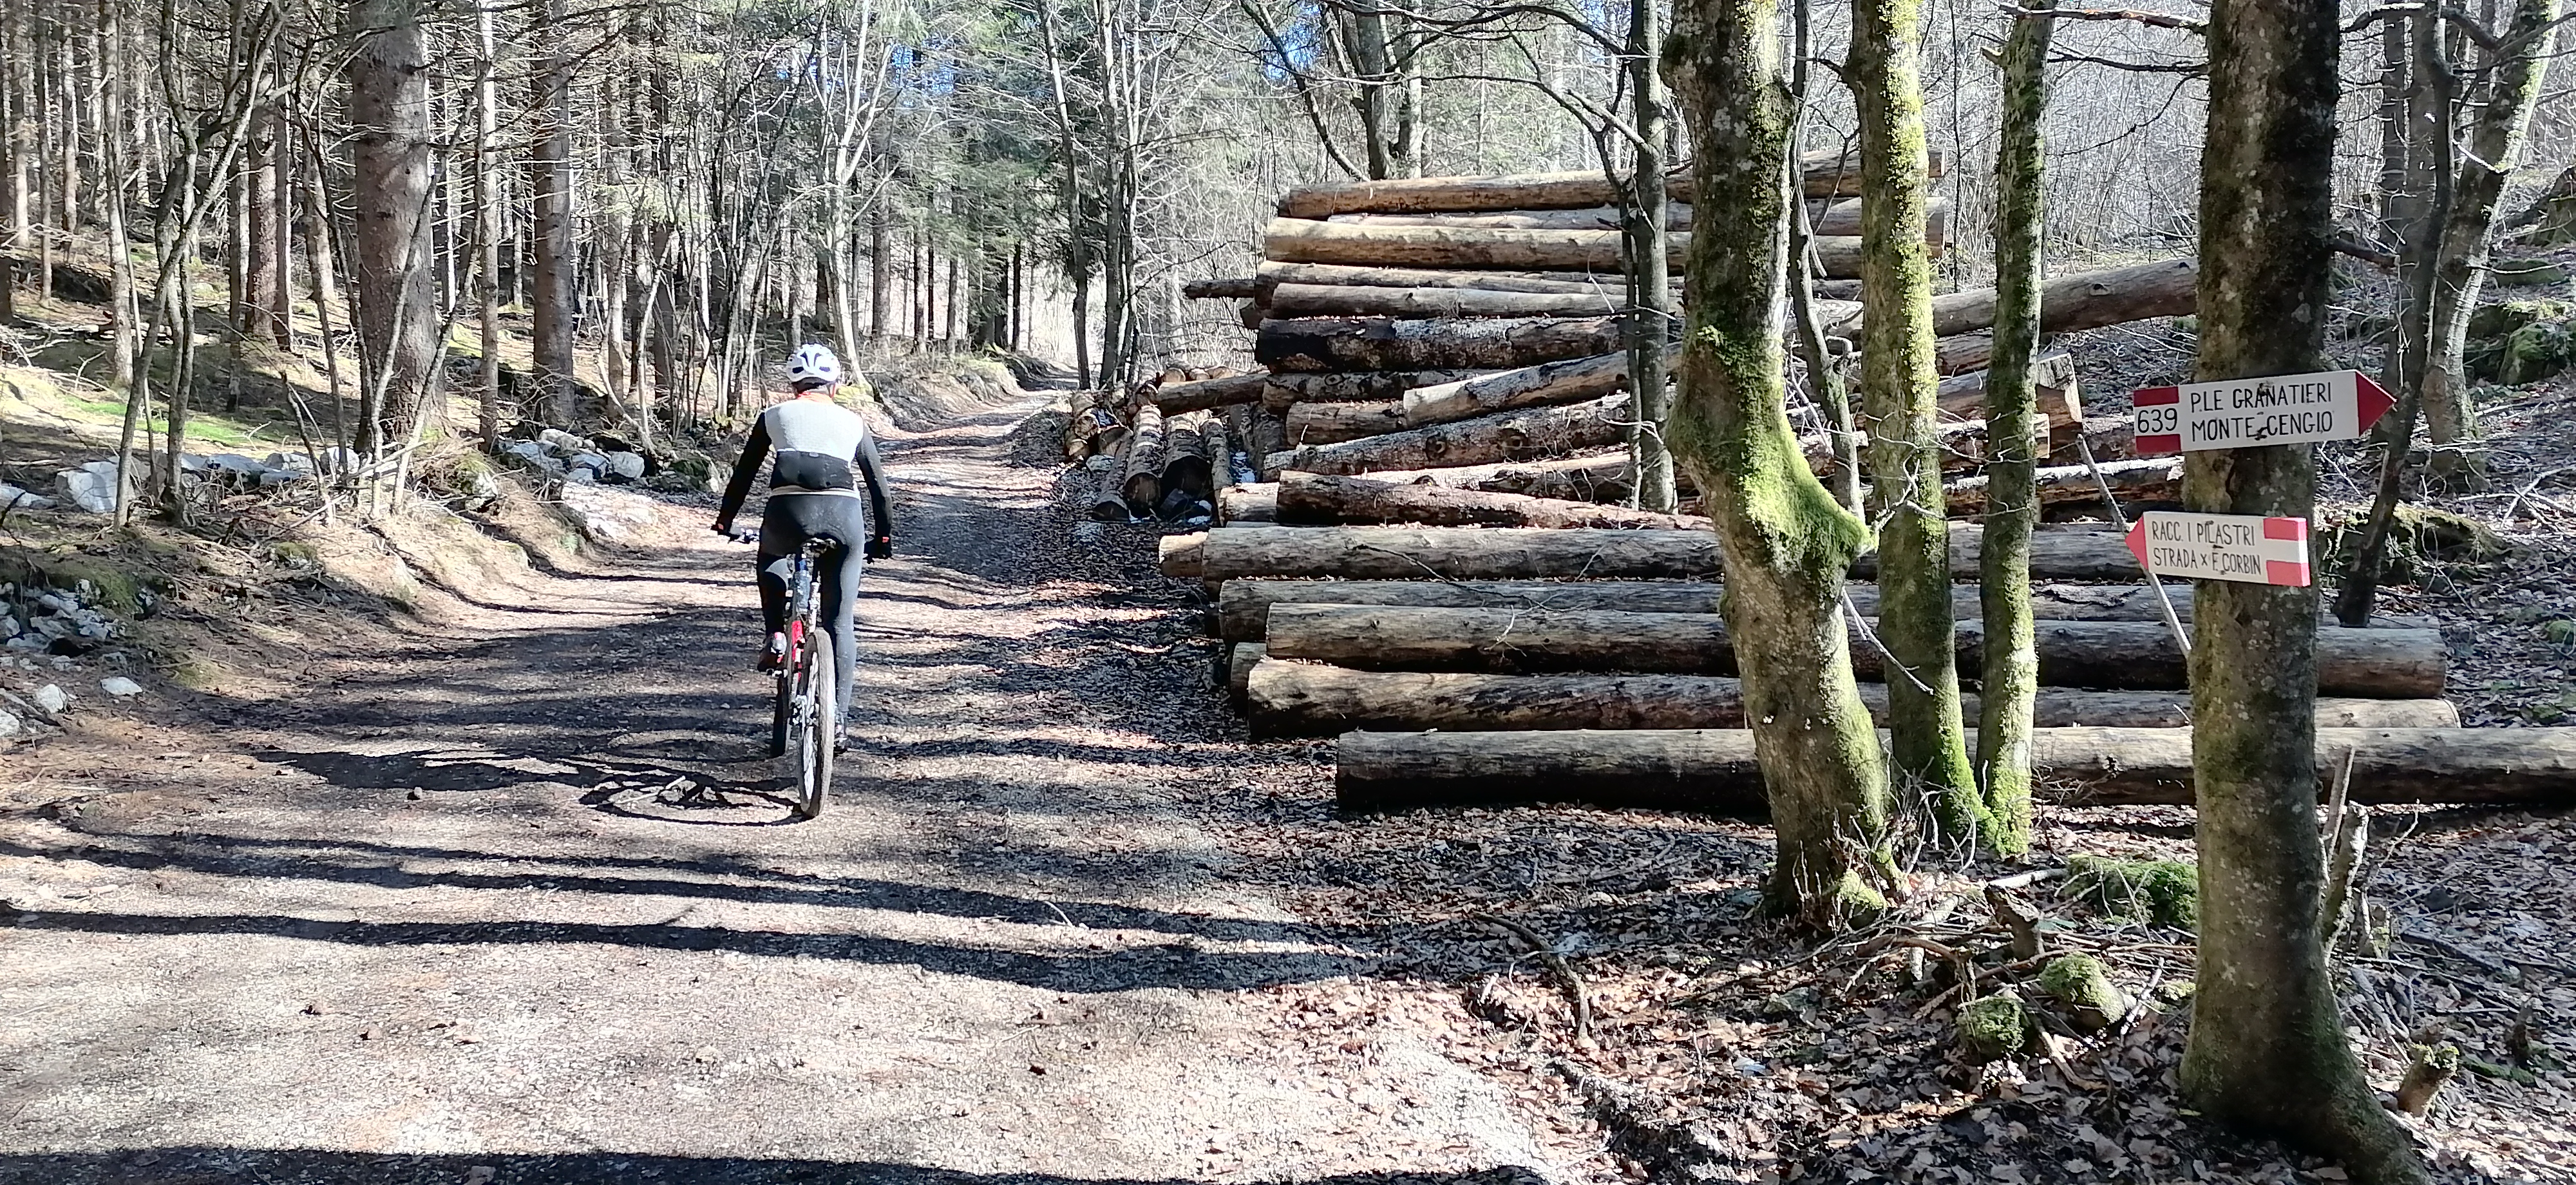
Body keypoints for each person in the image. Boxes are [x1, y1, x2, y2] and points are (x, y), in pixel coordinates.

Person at [712, 345, 895, 743]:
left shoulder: (773, 416)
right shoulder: (853, 422)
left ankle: (777, 633)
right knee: (839, 621)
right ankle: (839, 720)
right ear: (835, 384)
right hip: (844, 519)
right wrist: (882, 538)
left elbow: (743, 475)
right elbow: (879, 487)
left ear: (793, 383)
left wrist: (725, 520)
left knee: (772, 555)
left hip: (787, 515)